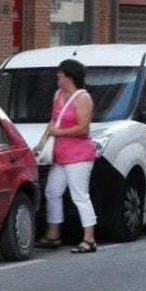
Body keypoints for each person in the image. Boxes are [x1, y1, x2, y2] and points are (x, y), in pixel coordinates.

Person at [35, 59, 98, 253]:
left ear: (69, 77)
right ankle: (53, 234)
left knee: (80, 195)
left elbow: (83, 128)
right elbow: (54, 122)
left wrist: (59, 133)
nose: (57, 76)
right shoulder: (58, 94)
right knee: (52, 191)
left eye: (60, 73)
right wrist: (41, 144)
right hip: (61, 154)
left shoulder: (83, 98)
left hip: (79, 155)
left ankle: (89, 238)